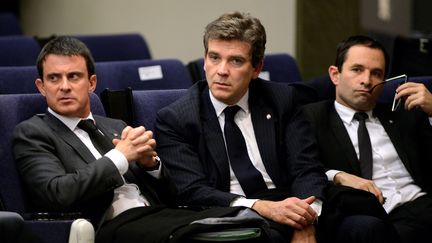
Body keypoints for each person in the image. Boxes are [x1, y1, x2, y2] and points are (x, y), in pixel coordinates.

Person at [156, 11, 388, 243]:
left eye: (236, 60)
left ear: (256, 69)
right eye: (214, 57)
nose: (222, 71)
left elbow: (305, 167)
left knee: (368, 228)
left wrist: (307, 219)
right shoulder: (177, 118)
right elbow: (193, 191)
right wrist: (263, 207)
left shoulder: (282, 99)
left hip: (294, 201)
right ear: (205, 59)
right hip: (234, 212)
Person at [12, 36, 267, 243]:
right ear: (41, 87)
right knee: (208, 235)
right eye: (54, 78)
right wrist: (120, 157)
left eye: (74, 76)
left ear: (91, 83)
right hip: (108, 225)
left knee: (247, 223)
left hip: (157, 215)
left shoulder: (115, 126)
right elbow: (58, 193)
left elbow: (174, 193)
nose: (64, 86)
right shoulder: (33, 133)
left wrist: (152, 166)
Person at [301, 35, 432, 243]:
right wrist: (337, 175)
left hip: (421, 203)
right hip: (373, 213)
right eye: (357, 70)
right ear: (335, 75)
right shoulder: (310, 117)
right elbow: (299, 169)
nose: (367, 80)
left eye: (376, 73)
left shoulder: (405, 114)